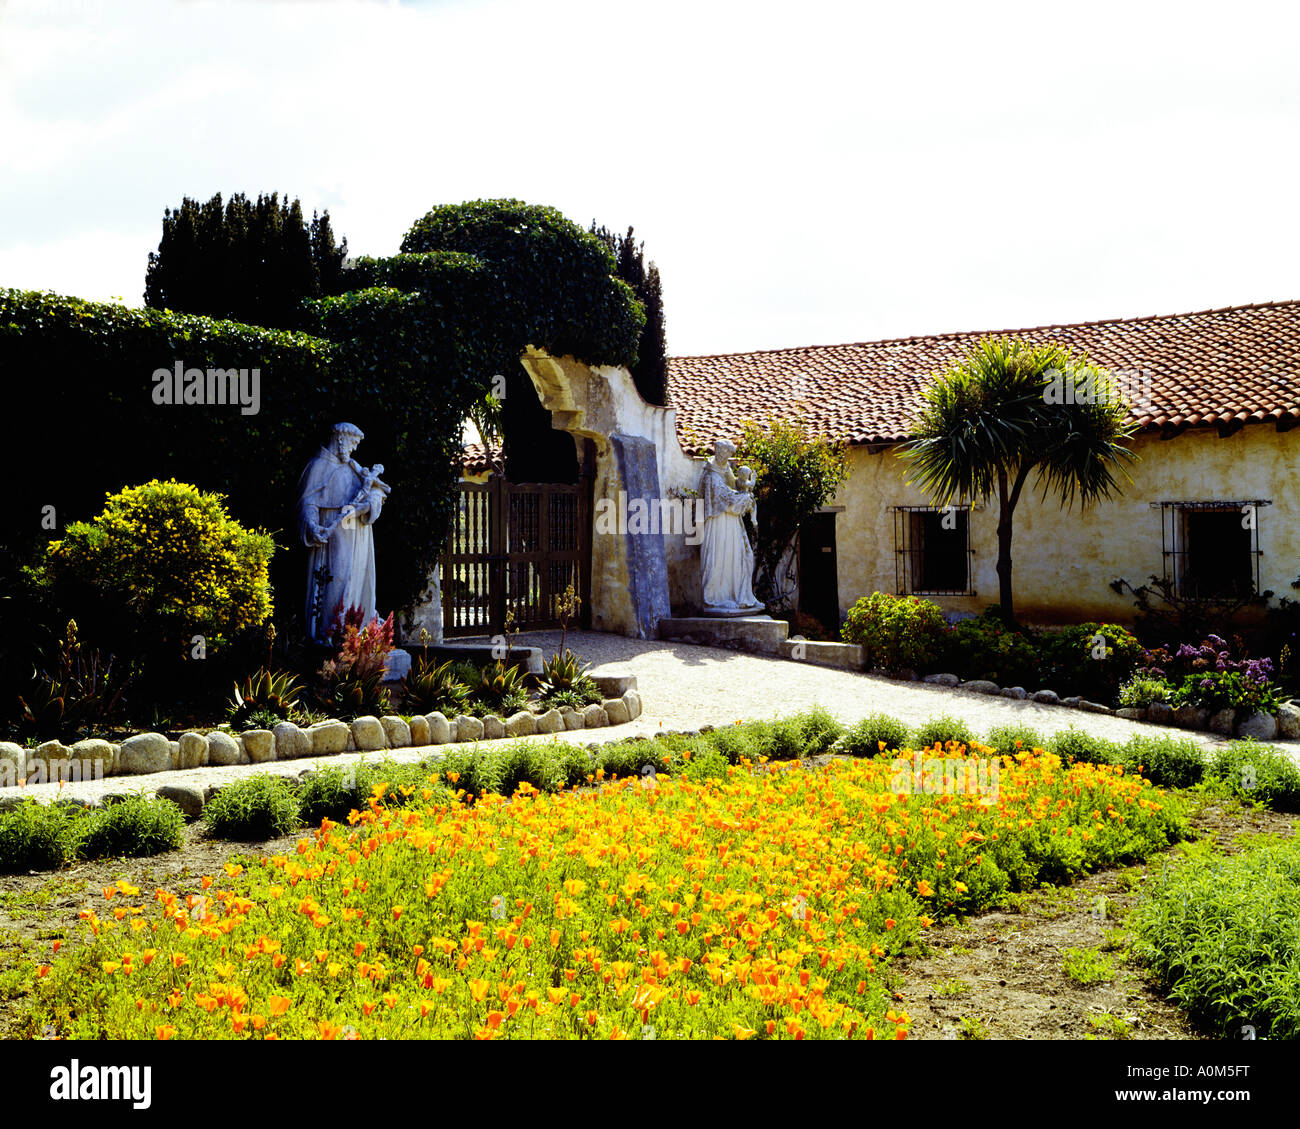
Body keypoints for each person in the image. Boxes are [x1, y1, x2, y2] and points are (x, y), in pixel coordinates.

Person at [296, 423, 391, 642]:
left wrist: (365, 507)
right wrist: (312, 526)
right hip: (334, 536)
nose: (354, 449)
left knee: (356, 582)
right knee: (336, 580)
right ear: (340, 439)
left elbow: (378, 491)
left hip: (359, 536)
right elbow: (307, 503)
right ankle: (333, 634)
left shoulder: (354, 467)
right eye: (352, 443)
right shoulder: (317, 467)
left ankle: (354, 635)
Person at [698, 439, 762, 614]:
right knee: (718, 559)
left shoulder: (725, 473)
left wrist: (743, 496)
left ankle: (732, 596)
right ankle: (716, 598)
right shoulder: (711, 476)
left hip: (731, 524)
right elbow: (724, 499)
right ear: (718, 452)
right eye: (723, 453)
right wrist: (743, 499)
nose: (725, 457)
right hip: (718, 523)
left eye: (728, 454)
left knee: (735, 558)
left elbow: (734, 491)